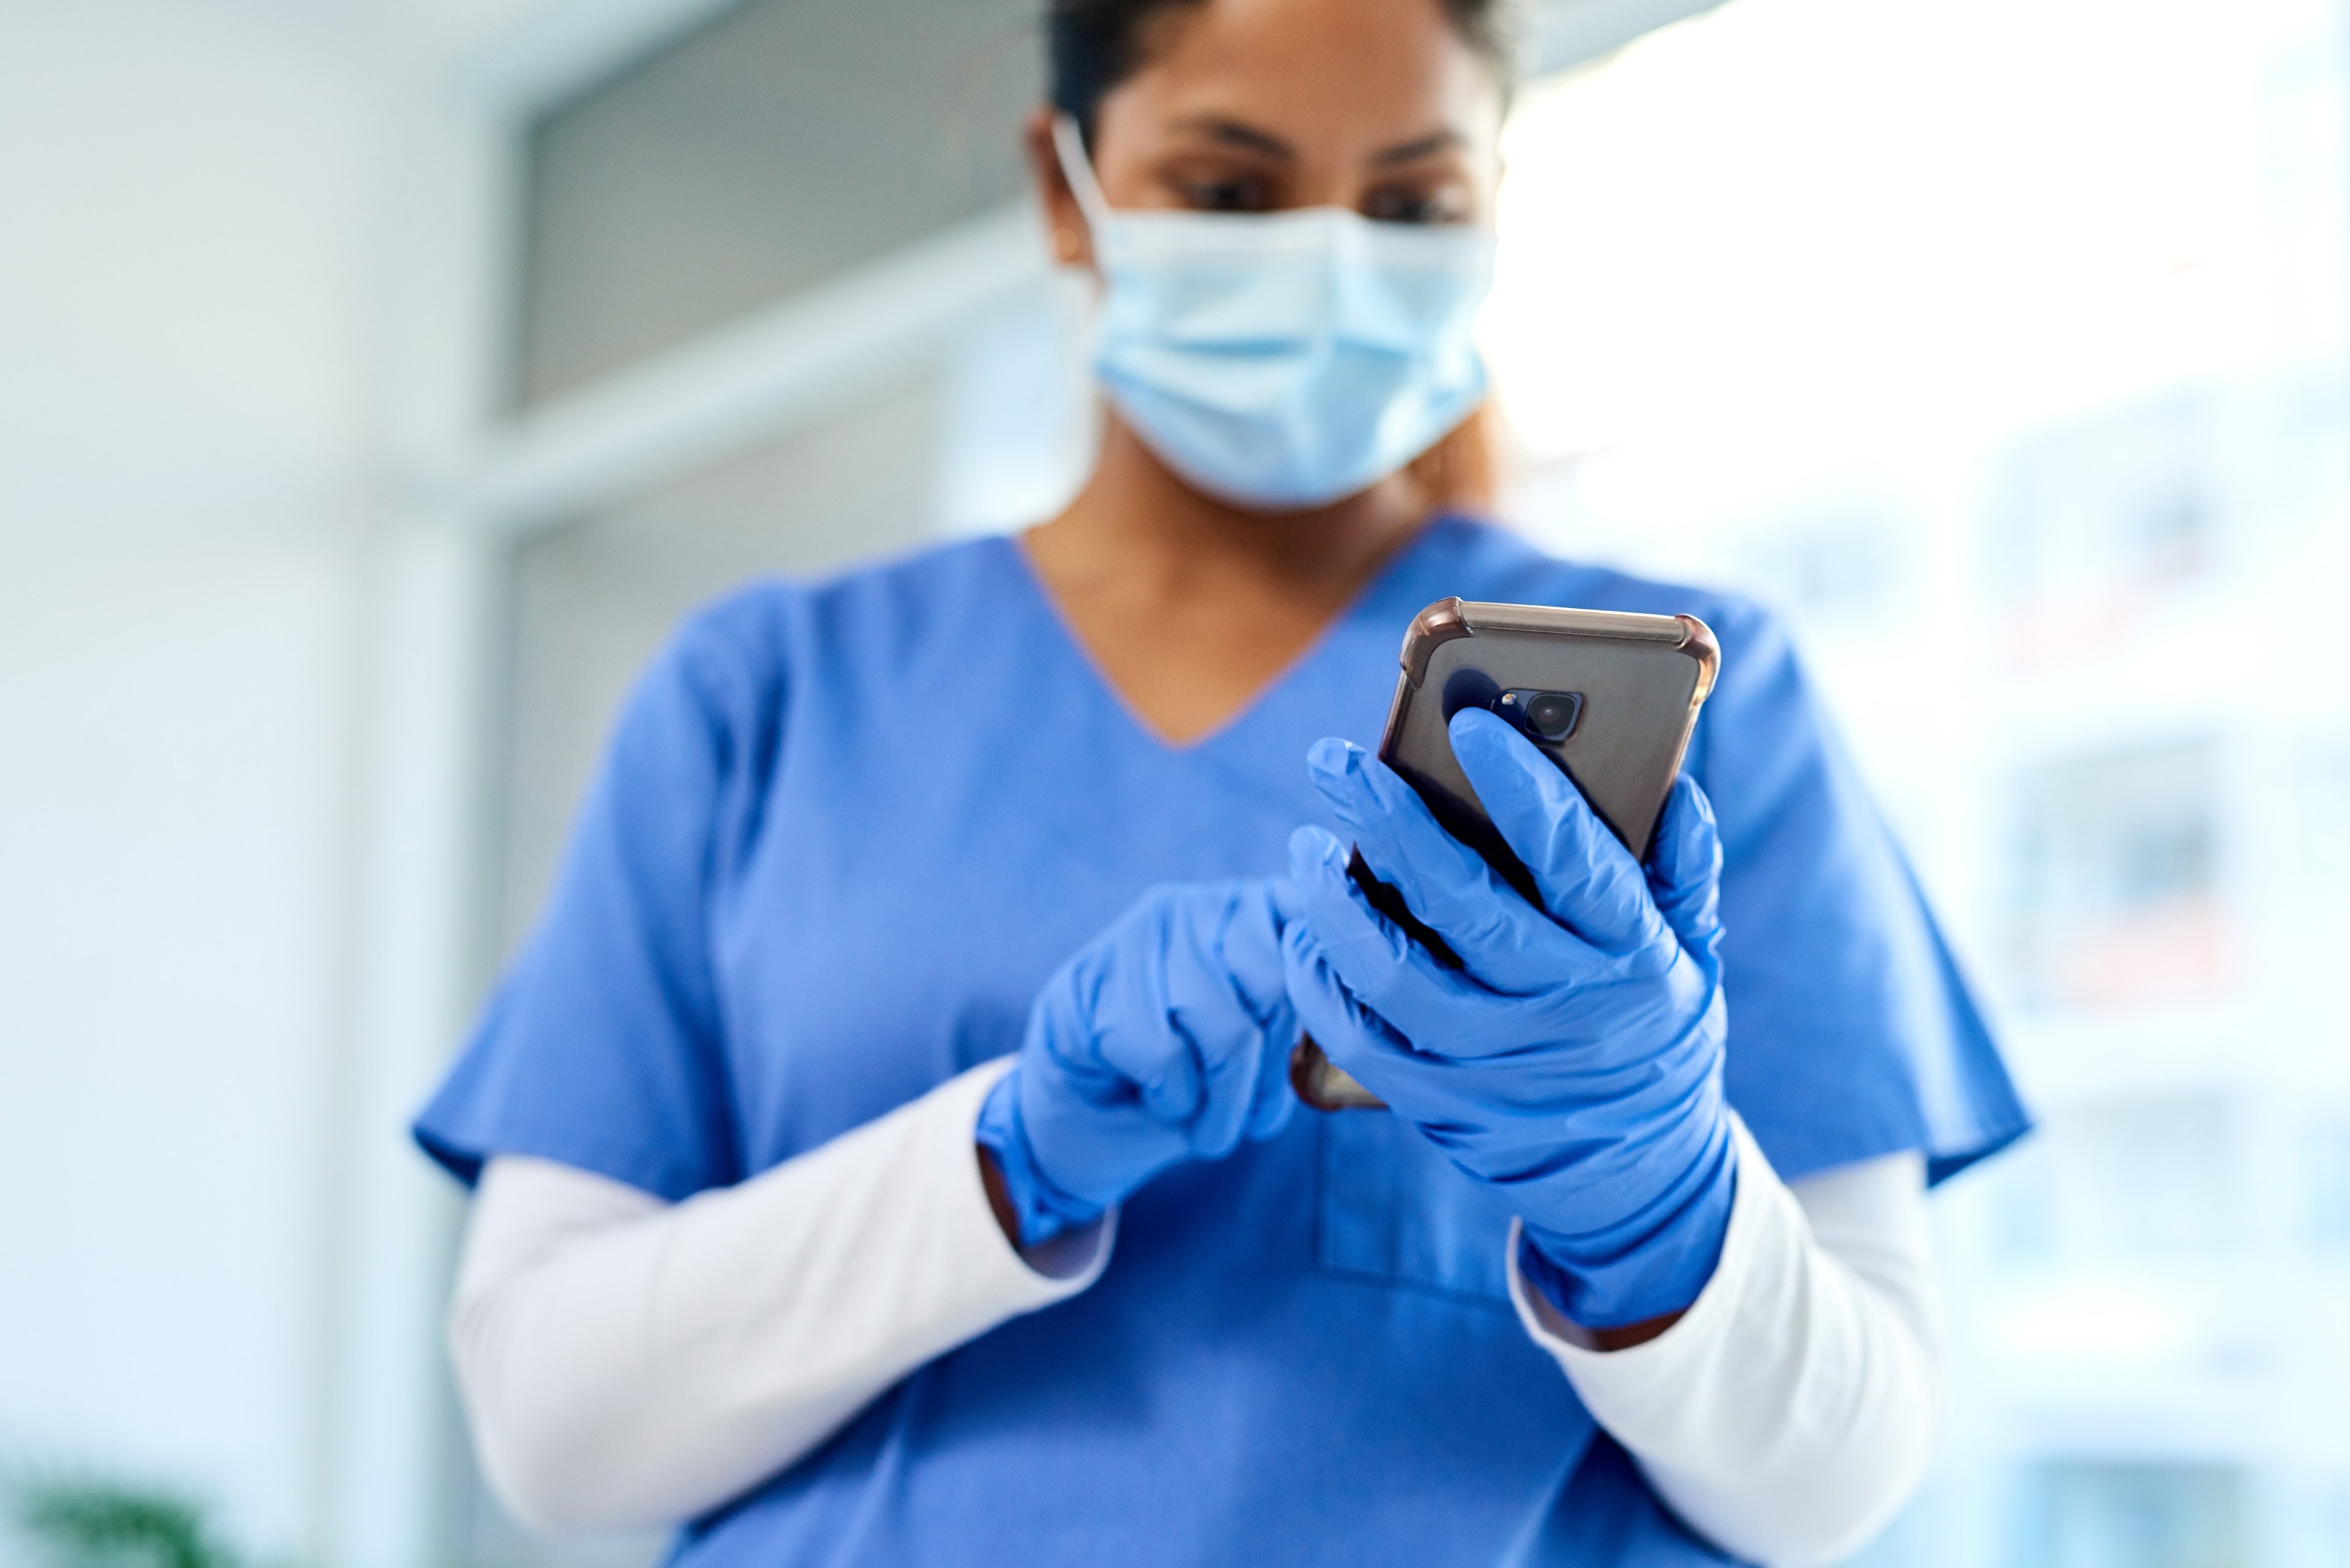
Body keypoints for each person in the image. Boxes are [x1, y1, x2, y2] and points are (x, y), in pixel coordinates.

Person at [413, 0, 2030, 1562]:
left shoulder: (1693, 712)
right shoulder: (762, 696)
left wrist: (1657, 1201)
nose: (1329, 259)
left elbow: (1842, 1481)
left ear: (1490, 217)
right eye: (1232, 189)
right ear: (1071, 190)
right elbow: (552, 1429)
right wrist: (1005, 1154)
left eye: (1412, 202)